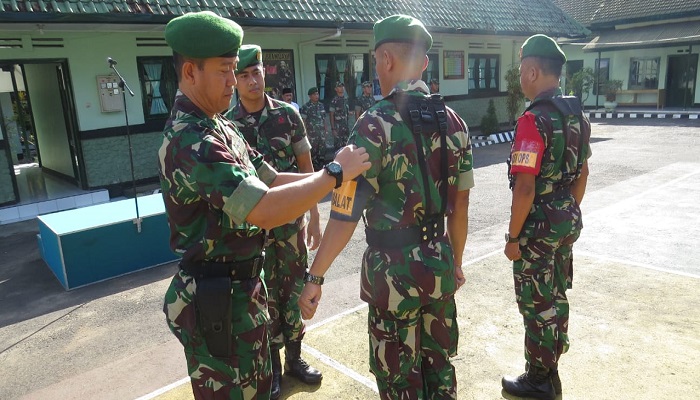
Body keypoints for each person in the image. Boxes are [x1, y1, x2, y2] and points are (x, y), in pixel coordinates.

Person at [158, 11, 370, 400]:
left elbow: (271, 179)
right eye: (224, 71)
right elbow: (264, 208)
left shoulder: (219, 127)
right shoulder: (191, 141)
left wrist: (331, 173)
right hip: (216, 305)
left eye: (234, 69)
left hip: (241, 294)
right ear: (190, 72)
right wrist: (336, 174)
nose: (232, 81)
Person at [298, 14, 474, 399]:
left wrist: (315, 277)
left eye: (376, 61)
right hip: (439, 263)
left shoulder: (373, 125)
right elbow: (459, 208)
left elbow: (345, 213)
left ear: (387, 60)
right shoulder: (454, 122)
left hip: (393, 276)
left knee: (399, 379)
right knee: (440, 370)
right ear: (424, 63)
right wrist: (455, 262)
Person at [225, 44, 323, 399]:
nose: (253, 81)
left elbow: (306, 168)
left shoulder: (288, 115)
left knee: (294, 290)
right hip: (253, 232)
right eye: (244, 75)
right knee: (262, 298)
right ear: (235, 81)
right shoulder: (228, 124)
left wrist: (314, 216)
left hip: (292, 227)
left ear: (267, 72)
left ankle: (296, 359)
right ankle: (273, 367)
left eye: (257, 72)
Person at [501, 34, 591, 400]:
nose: (521, 77)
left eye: (522, 70)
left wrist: (511, 238)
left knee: (537, 302)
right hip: (565, 220)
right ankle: (550, 370)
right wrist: (566, 208)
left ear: (533, 70)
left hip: (536, 228)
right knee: (555, 296)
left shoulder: (533, 120)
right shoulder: (576, 116)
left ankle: (538, 378)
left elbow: (524, 189)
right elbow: (583, 175)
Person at [299, 87, 328, 170]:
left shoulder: (321, 106)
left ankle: (322, 169)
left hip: (321, 134)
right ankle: (314, 170)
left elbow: (324, 119)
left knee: (322, 152)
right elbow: (303, 121)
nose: (317, 96)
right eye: (314, 94)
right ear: (310, 96)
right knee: (313, 154)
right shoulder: (306, 107)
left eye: (317, 94)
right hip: (312, 134)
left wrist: (326, 130)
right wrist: (306, 134)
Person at [328, 81, 350, 150]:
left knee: (346, 147)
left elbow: (345, 112)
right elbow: (331, 115)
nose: (342, 88)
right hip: (338, 129)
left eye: (342, 86)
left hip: (345, 128)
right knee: (338, 149)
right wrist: (333, 129)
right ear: (336, 89)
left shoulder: (346, 99)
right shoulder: (334, 101)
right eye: (339, 86)